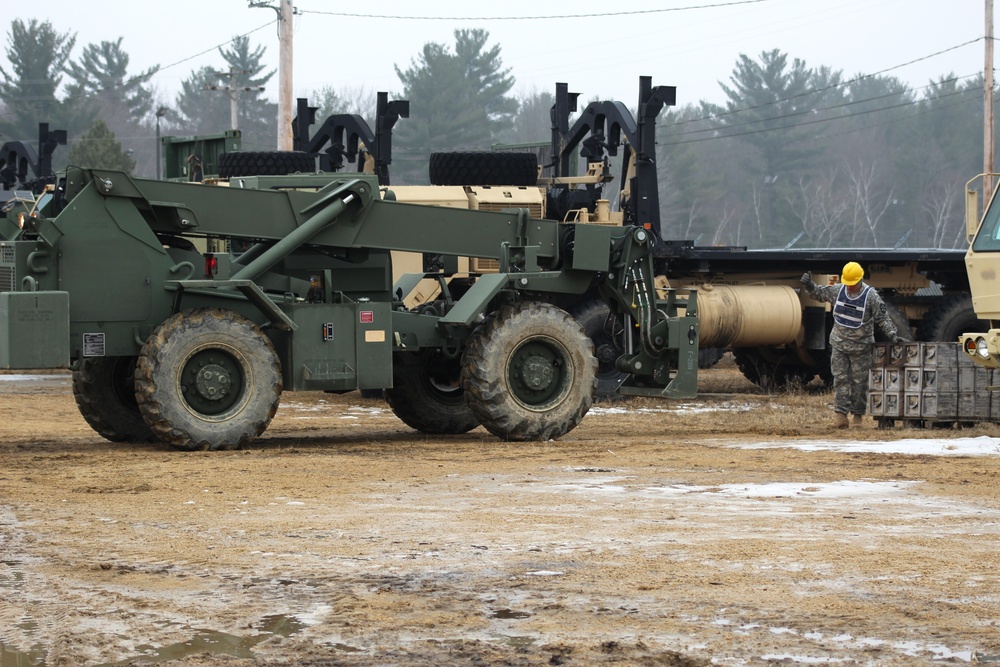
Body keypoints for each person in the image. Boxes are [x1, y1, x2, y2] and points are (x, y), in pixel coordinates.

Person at [801, 262, 908, 429]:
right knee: (840, 380)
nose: (849, 287)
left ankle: (857, 417)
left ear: (860, 280)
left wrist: (892, 335)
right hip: (839, 345)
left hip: (861, 348)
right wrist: (809, 285)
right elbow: (819, 294)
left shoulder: (870, 296)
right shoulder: (838, 290)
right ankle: (841, 416)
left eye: (853, 284)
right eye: (847, 284)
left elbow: (883, 318)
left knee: (860, 383)